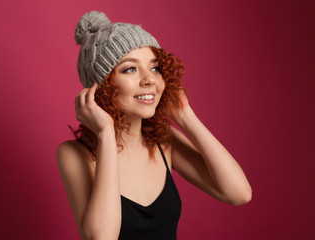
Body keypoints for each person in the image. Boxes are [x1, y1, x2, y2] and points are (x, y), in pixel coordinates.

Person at [56, 10, 252, 240]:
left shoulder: (163, 141)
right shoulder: (74, 154)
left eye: (155, 67)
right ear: (101, 86)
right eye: (130, 69)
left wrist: (186, 116)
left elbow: (239, 194)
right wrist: (106, 134)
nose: (149, 79)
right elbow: (101, 237)